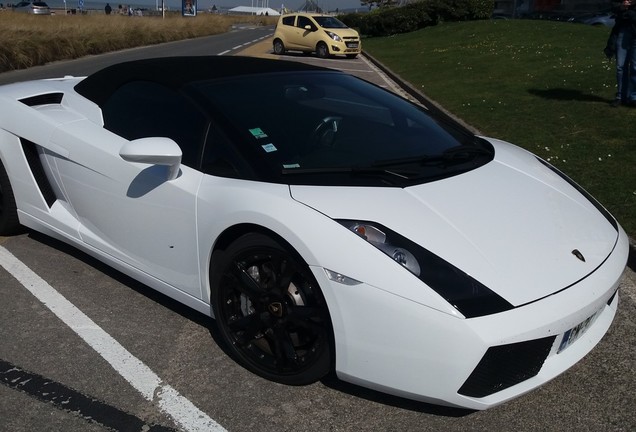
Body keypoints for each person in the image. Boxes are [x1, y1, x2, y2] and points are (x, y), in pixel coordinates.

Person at [609, 0, 636, 107]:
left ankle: (634, 97)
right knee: (620, 66)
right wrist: (622, 6)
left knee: (635, 66)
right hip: (622, 30)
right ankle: (621, 96)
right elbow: (613, 5)